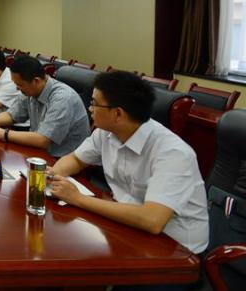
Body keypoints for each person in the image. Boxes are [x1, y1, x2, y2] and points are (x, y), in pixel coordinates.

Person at [50, 71, 208, 256]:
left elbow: (152, 220)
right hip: (128, 226)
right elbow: (76, 159)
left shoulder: (173, 153)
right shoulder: (106, 132)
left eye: (94, 103)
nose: (90, 108)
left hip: (175, 249)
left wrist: (77, 198)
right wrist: (52, 176)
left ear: (118, 113)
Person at [0, 55, 90, 157]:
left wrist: (3, 134)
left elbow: (43, 140)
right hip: (39, 152)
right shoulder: (30, 90)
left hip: (63, 159)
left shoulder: (62, 98)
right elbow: (12, 114)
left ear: (36, 81)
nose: (17, 88)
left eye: (20, 84)